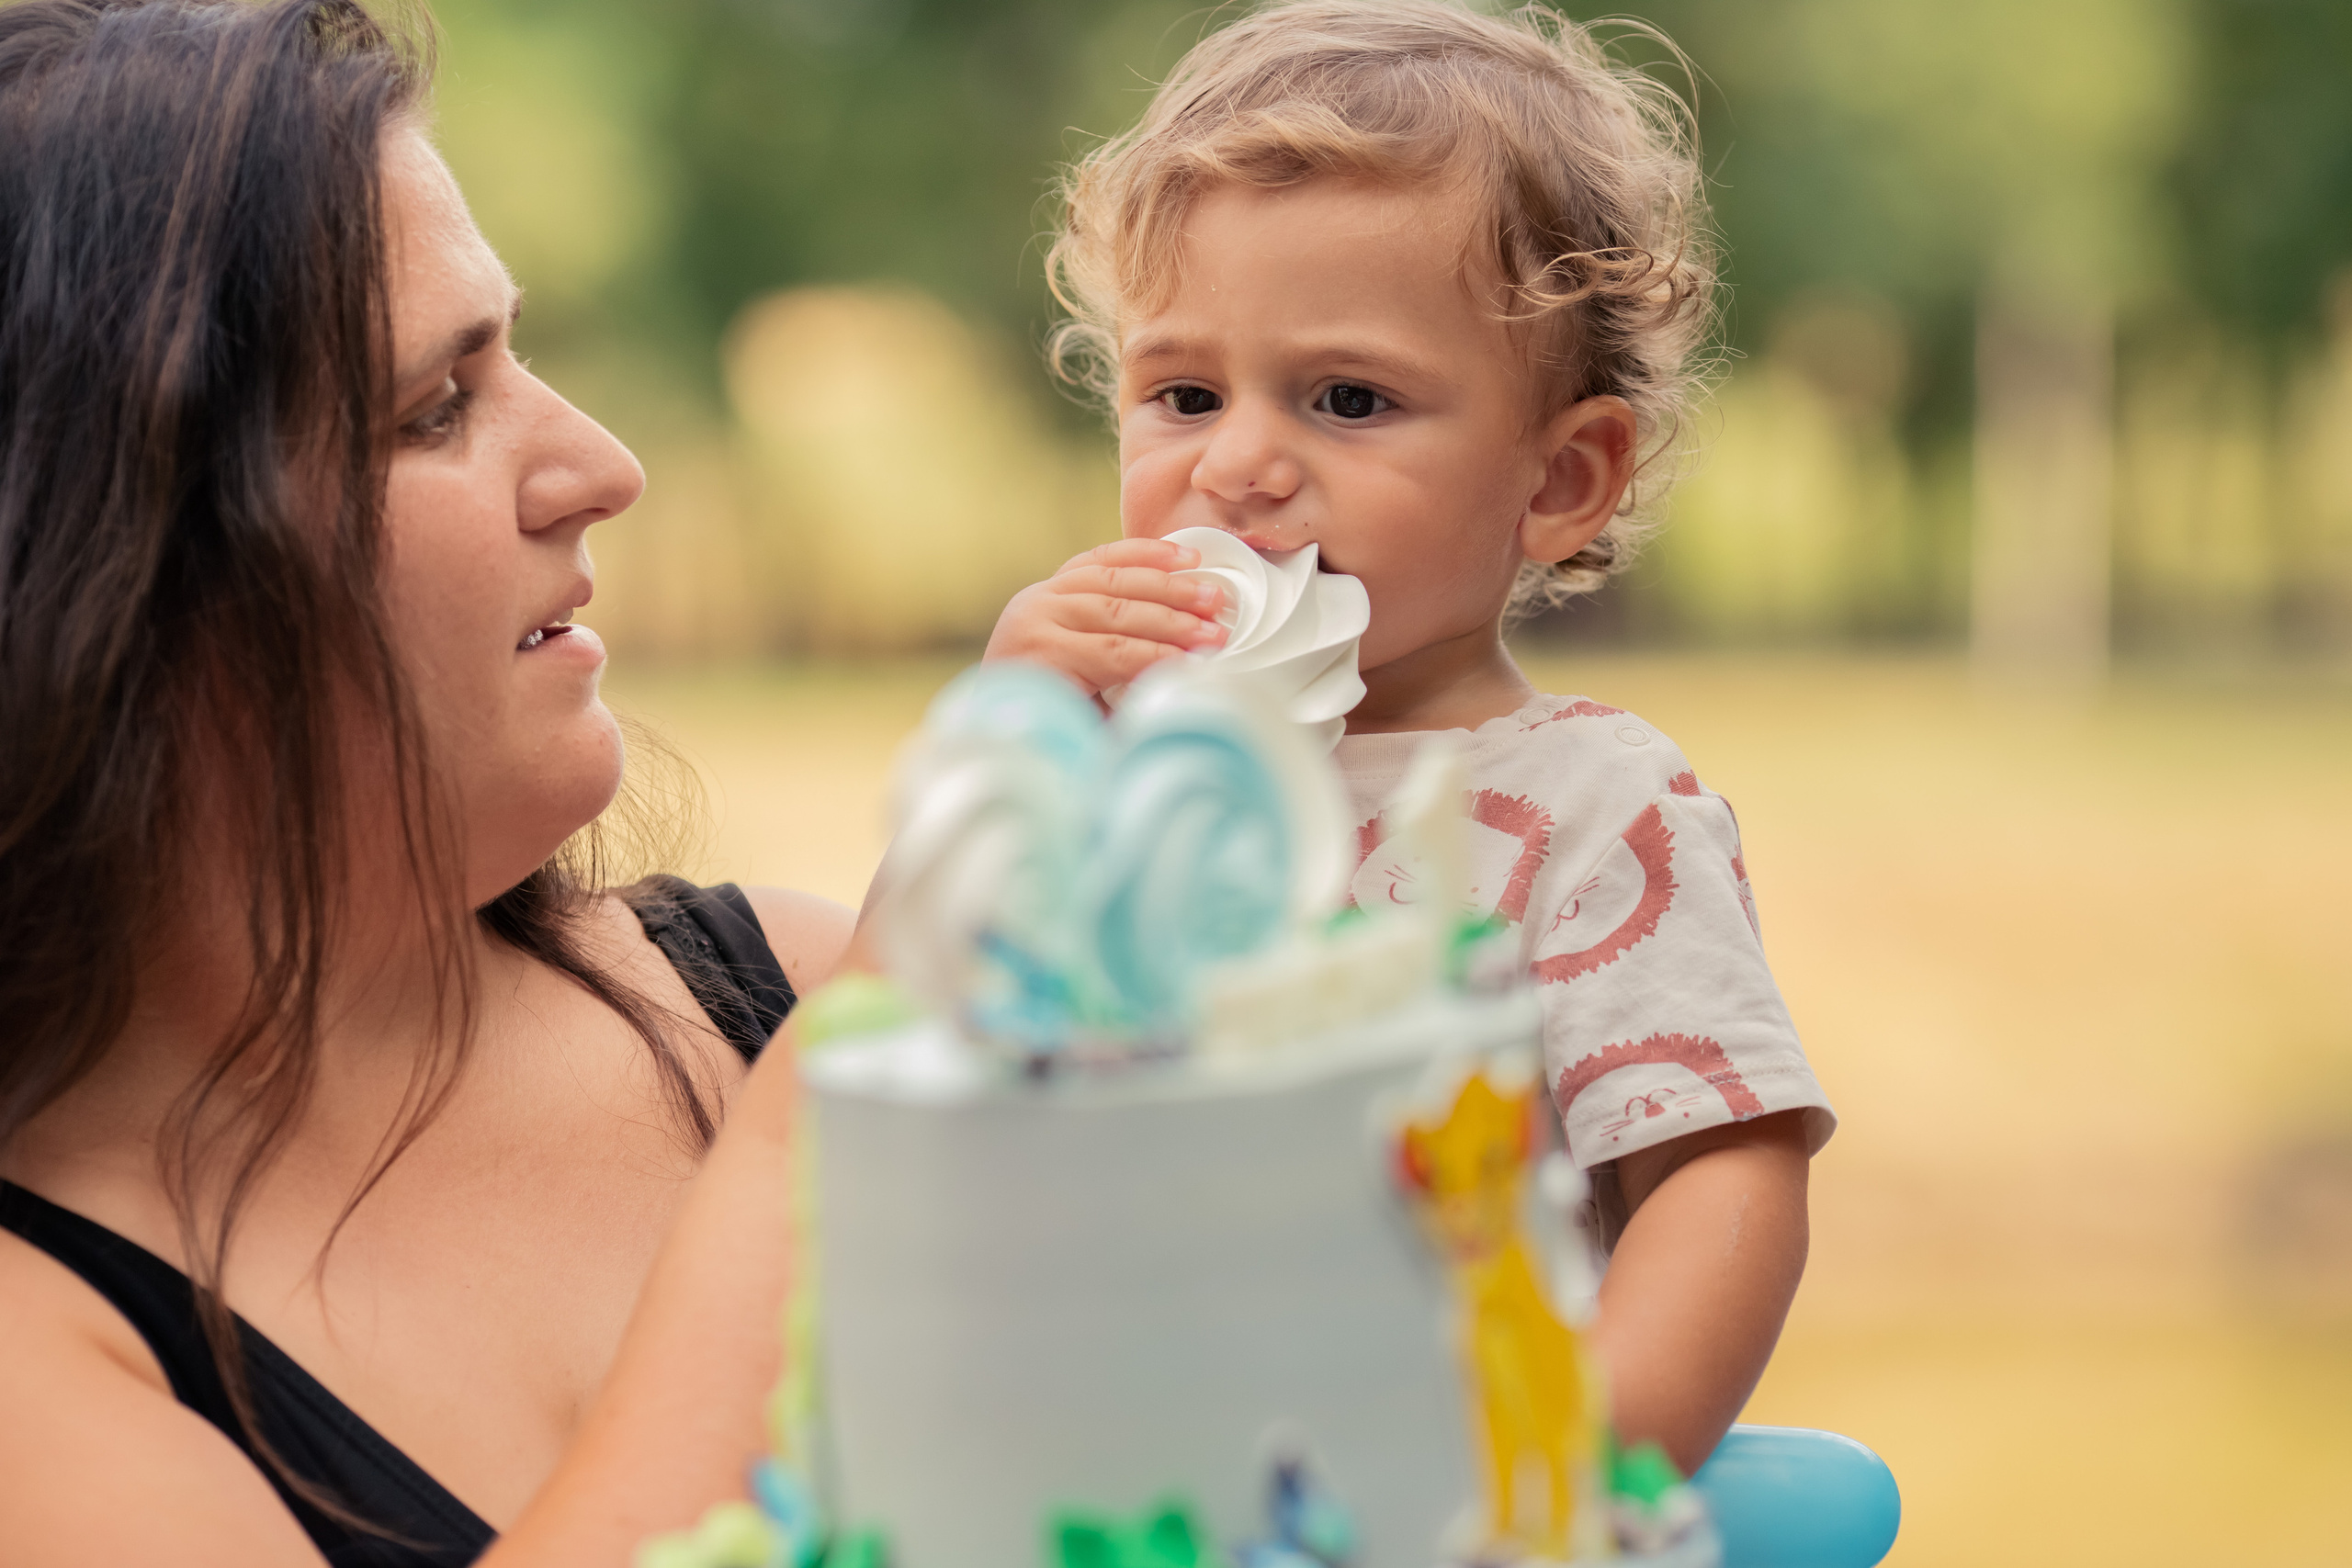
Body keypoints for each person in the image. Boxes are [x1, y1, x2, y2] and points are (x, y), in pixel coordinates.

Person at [0, 3, 848, 1563]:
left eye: (518, 355)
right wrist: (823, 1134)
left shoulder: (789, 987)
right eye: (436, 408)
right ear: (113, 575)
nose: (601, 469)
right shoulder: (40, 1371)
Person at [983, 0, 1836, 1476]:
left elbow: (1720, 1178)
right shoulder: (1127, 772)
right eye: (1183, 394)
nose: (1239, 464)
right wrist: (1012, 757)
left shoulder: (1590, 808)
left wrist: (1567, 1467)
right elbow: (942, 1070)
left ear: (1560, 479)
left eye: (1347, 399)